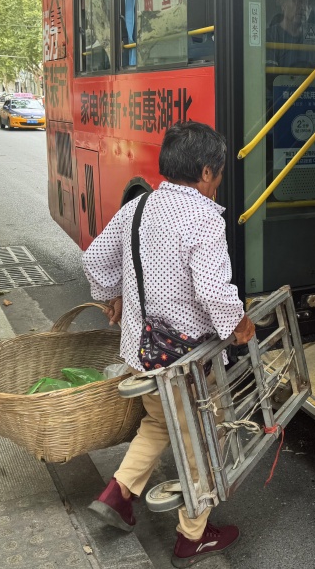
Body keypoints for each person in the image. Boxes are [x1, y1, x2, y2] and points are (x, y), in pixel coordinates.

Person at [82, 121, 255, 567]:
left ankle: (119, 493)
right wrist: (240, 325)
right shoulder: (203, 217)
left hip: (142, 352)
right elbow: (213, 291)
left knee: (160, 422)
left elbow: (95, 259)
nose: (217, 183)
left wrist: (112, 296)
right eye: (218, 174)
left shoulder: (139, 207)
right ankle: (191, 536)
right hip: (184, 363)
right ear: (206, 172)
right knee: (205, 437)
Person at [265, 0, 315, 68]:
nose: (303, 7)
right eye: (296, 1)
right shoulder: (270, 36)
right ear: (283, 5)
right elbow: (271, 73)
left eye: (307, 3)